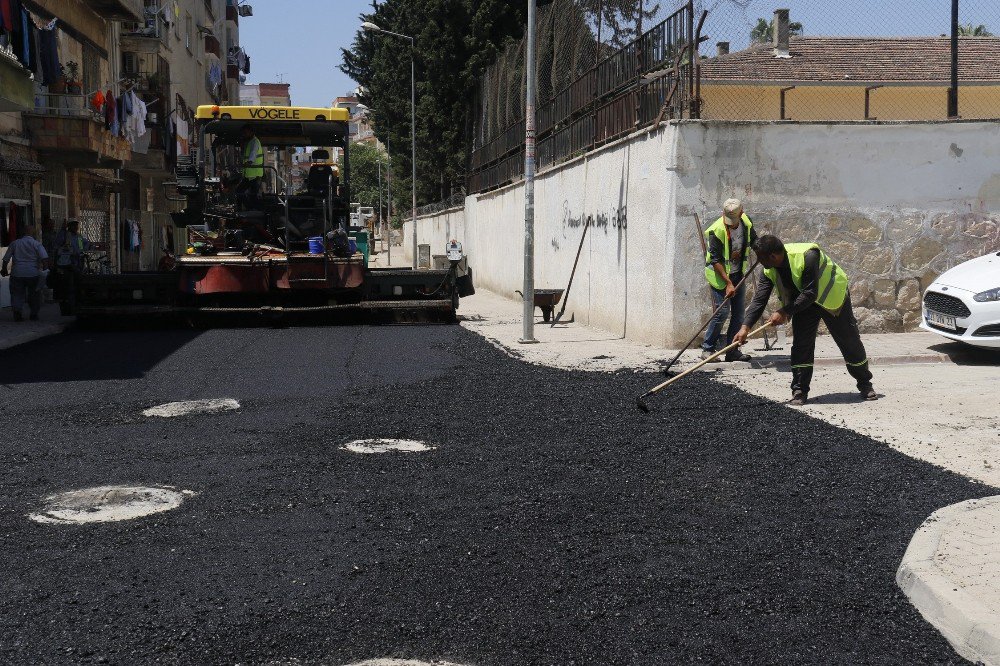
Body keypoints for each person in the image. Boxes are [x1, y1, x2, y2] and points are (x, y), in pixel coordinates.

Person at [733, 234, 878, 406]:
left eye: (761, 258)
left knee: (849, 340)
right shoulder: (768, 269)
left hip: (832, 296)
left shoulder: (808, 255)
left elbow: (810, 292)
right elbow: (759, 300)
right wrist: (745, 327)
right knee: (801, 345)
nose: (759, 262)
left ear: (772, 256)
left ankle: (865, 384)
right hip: (803, 303)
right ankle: (799, 390)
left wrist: (784, 312)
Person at [701, 198, 757, 361]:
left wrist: (763, 251)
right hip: (720, 276)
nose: (731, 224)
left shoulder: (746, 222)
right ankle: (707, 349)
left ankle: (732, 351)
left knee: (739, 314)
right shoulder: (717, 230)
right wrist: (728, 283)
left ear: (741, 212)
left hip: (738, 273)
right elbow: (715, 260)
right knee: (722, 312)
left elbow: (754, 240)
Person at [1, 224, 49, 321]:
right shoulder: (36, 244)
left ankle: (17, 313)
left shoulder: (15, 243)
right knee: (34, 294)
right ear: (33, 233)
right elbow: (44, 259)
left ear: (23, 232)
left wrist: (4, 269)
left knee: (17, 294)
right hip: (33, 273)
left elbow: (6, 259)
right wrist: (45, 272)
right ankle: (34, 314)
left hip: (17, 273)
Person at [53, 218, 90, 315]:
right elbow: (56, 247)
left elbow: (84, 246)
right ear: (69, 226)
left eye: (76, 225)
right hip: (66, 266)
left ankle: (76, 306)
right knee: (68, 288)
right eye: (73, 225)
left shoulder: (79, 237)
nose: (76, 227)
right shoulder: (64, 235)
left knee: (77, 286)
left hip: (77, 265)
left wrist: (81, 252)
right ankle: (69, 308)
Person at [237, 124, 264, 210]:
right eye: (243, 133)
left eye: (246, 132)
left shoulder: (254, 141)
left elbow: (253, 153)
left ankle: (251, 208)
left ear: (251, 132)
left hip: (254, 174)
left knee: (240, 191)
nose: (244, 134)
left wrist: (249, 162)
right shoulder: (249, 142)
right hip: (250, 174)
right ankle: (253, 208)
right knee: (251, 194)